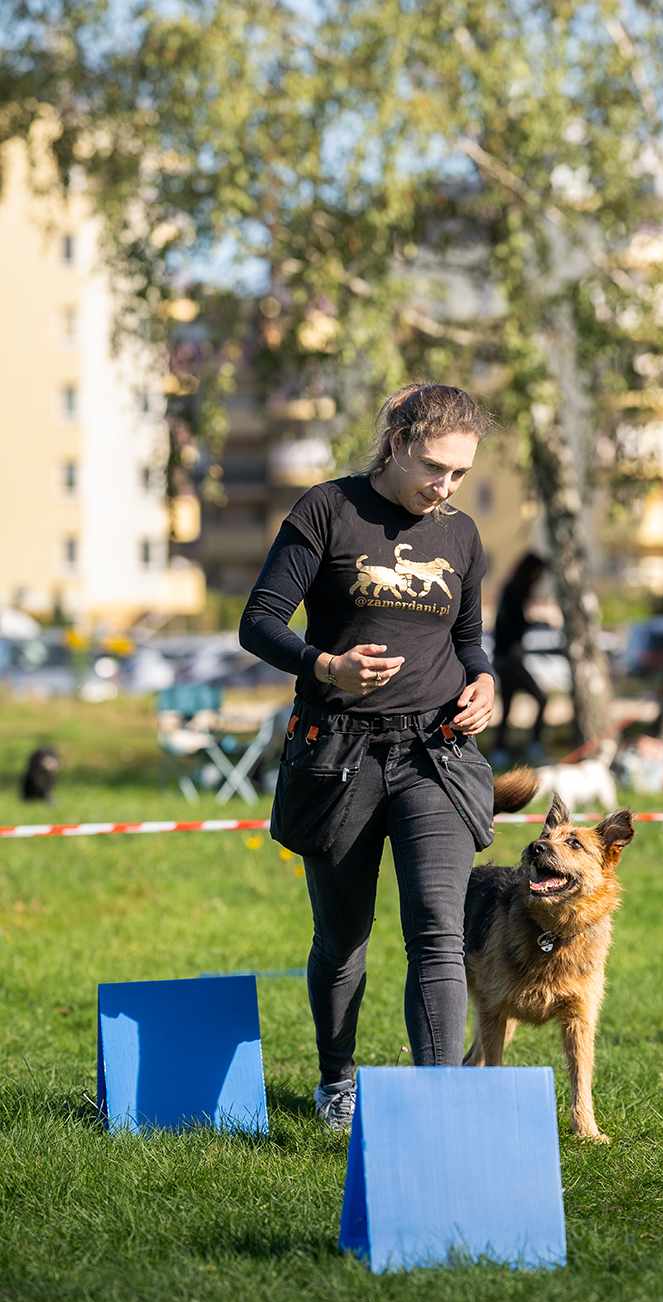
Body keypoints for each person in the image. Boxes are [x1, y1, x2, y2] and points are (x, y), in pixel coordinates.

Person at [238, 383, 497, 1133]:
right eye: (433, 466)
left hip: (436, 754)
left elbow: (468, 641)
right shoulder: (327, 509)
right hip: (339, 754)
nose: (443, 487)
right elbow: (258, 623)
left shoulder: (463, 536)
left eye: (459, 474)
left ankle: (440, 1110)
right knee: (343, 939)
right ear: (396, 443)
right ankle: (337, 1078)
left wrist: (485, 682)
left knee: (438, 933)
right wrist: (327, 667)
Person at [489, 552, 549, 768]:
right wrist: (538, 622)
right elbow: (511, 627)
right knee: (541, 698)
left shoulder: (512, 591)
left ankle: (500, 750)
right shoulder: (515, 593)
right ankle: (533, 745)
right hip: (511, 659)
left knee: (507, 707)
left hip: (504, 658)